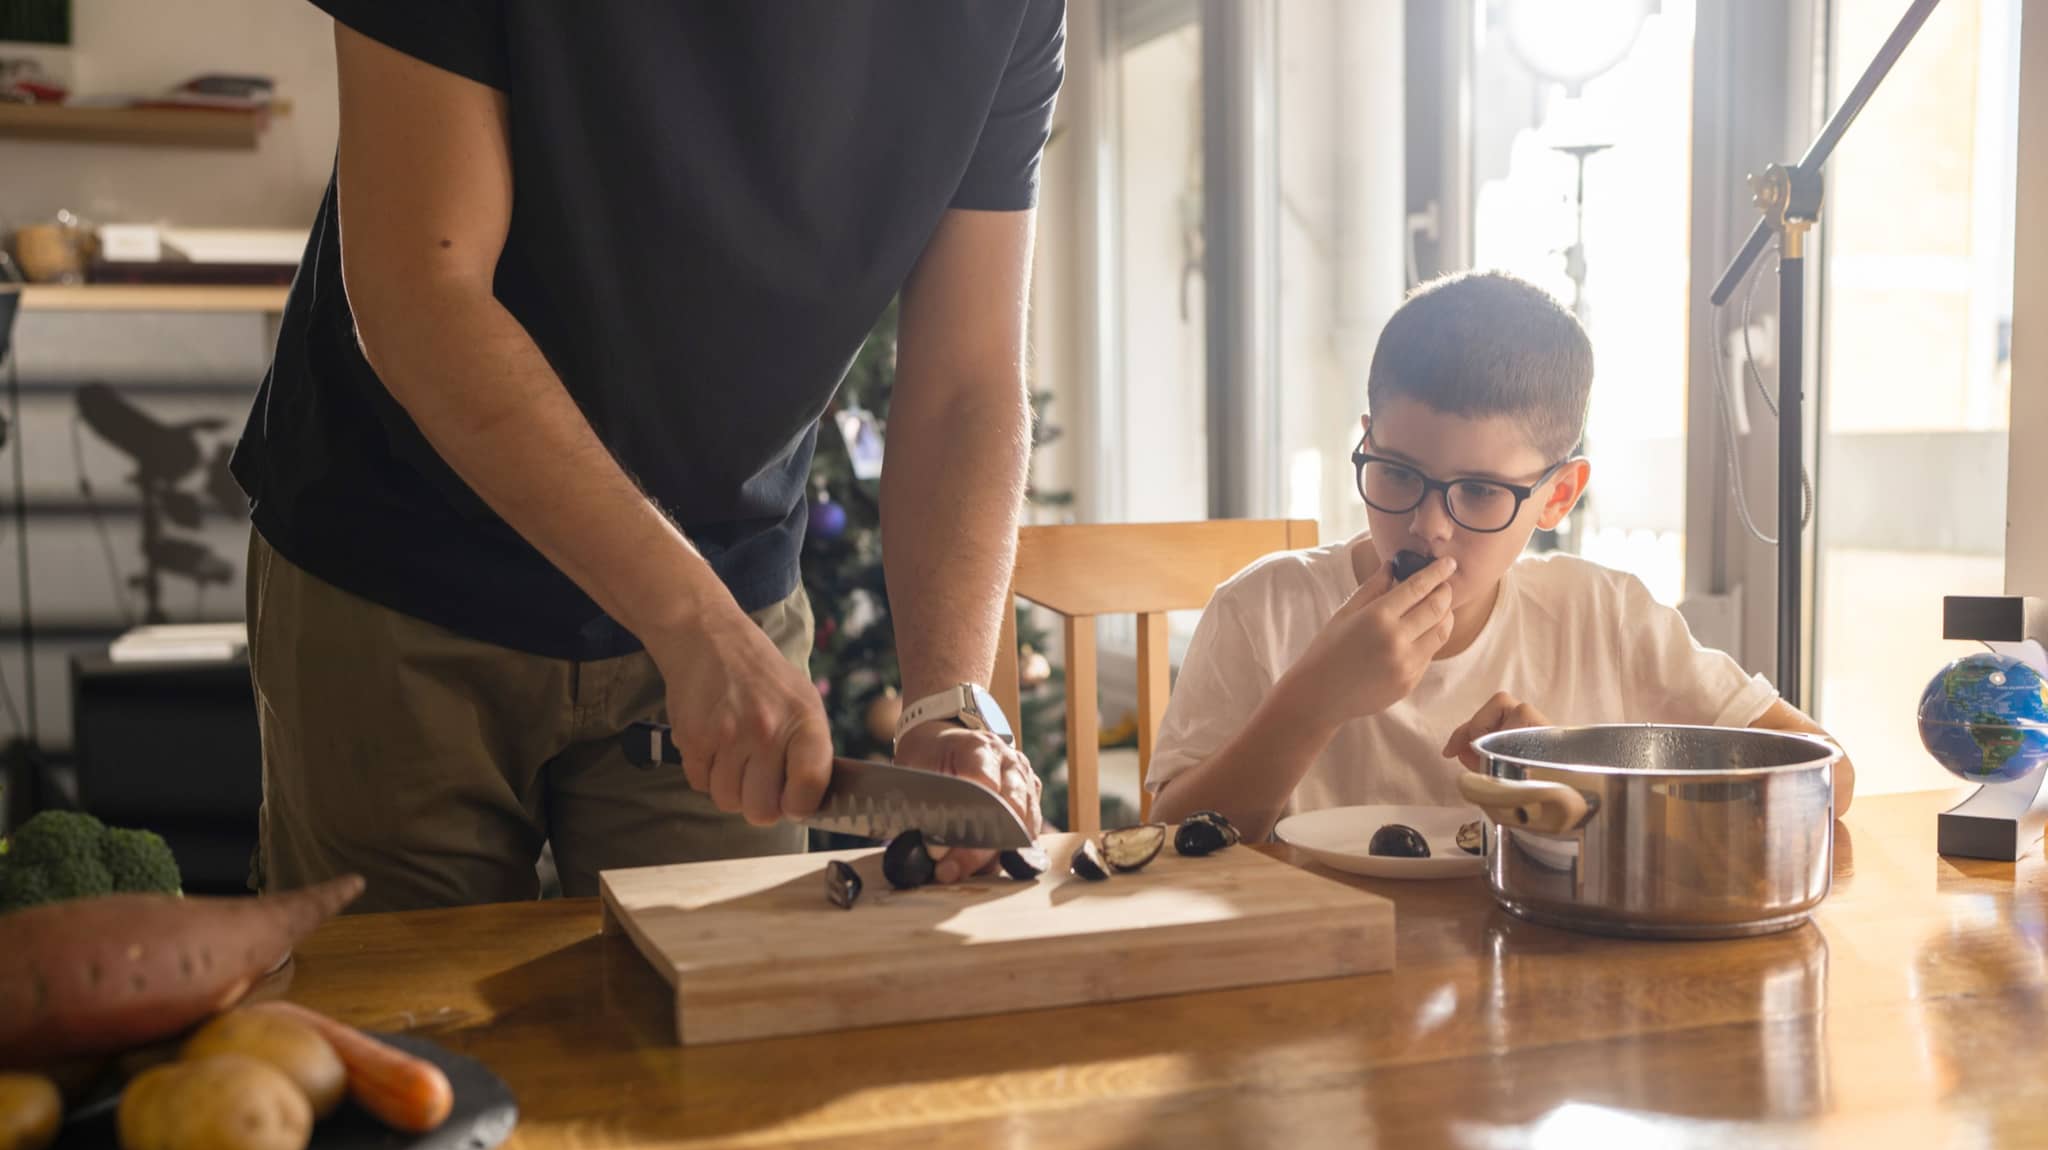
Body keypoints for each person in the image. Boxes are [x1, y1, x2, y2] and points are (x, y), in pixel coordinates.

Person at [232, 2, 1062, 911]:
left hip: (729, 600)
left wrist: (947, 702)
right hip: (400, 568)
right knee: (398, 1001)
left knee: (727, 996)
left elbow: (967, 382)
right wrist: (697, 628)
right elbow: (421, 293)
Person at [1146, 270, 1855, 839]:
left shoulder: (1605, 618)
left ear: (1558, 495)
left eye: (1481, 492)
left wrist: (1585, 773)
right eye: (1396, 473)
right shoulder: (1263, 612)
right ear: (1365, 442)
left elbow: (1830, 778)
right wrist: (1312, 701)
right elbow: (1171, 841)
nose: (1427, 526)